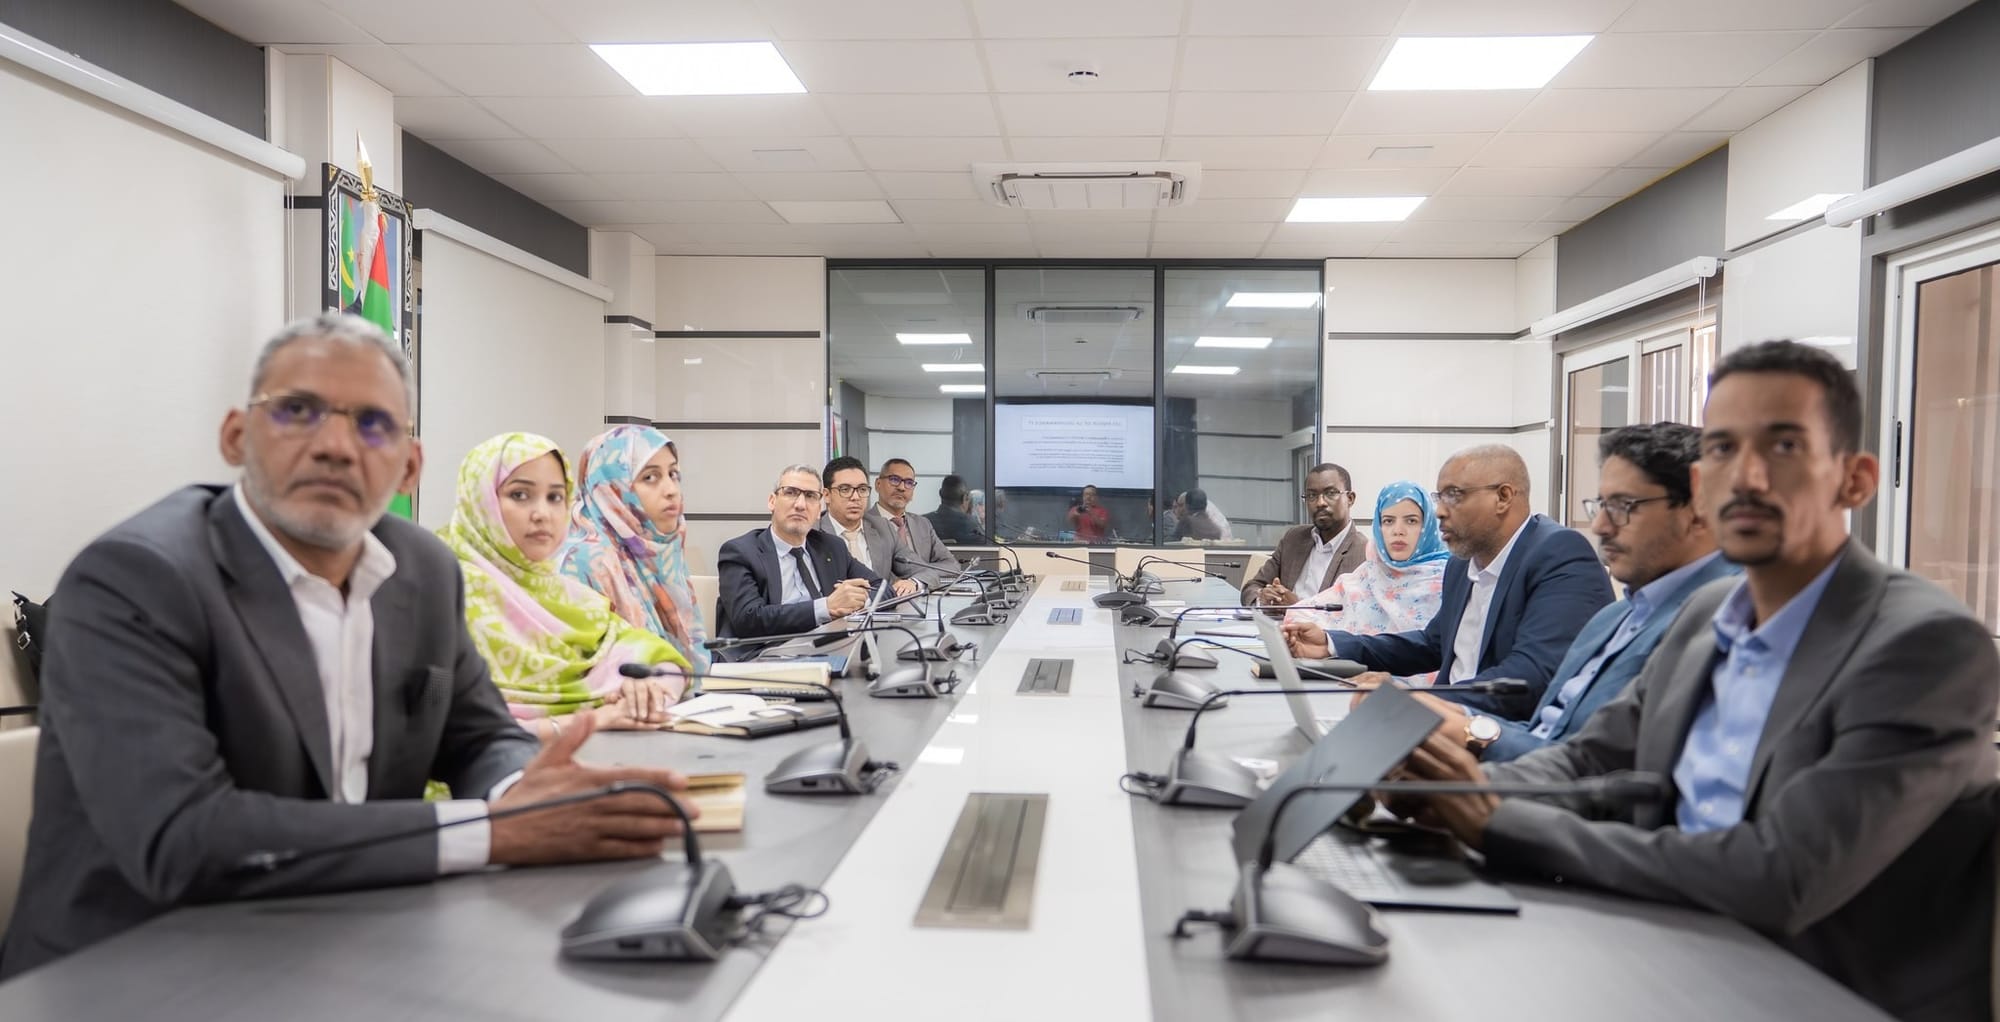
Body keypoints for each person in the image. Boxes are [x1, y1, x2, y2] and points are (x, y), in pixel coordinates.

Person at [0, 314, 693, 978]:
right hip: (135, 965)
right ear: (236, 437)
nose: (335, 445)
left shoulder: (424, 571)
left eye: (373, 424)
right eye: (297, 411)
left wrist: (525, 793)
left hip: (353, 936)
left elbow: (478, 735)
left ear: (409, 466)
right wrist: (494, 829)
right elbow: (183, 837)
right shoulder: (135, 579)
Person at [1387, 341, 1999, 1021]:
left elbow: (1781, 876)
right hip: (1656, 934)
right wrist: (1448, 789)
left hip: (1807, 987)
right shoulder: (1708, 612)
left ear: (1854, 481)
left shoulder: (1923, 644)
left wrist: (1498, 820)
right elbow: (1590, 757)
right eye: (1725, 448)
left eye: (1785, 446)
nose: (1748, 477)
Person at [1410, 423, 1738, 762]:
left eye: (1623, 506)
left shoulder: (1724, 621)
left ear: (1698, 510)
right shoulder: (1614, 618)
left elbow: (1595, 765)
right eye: (1602, 504)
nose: (1600, 526)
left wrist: (1467, 731)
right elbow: (1548, 733)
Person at [1283, 445, 1612, 717]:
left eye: (1454, 496)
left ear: (1503, 497)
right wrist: (1332, 643)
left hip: (1496, 734)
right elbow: (1433, 644)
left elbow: (1530, 678)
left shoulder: (1558, 554)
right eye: (1439, 497)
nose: (1439, 511)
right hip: (1445, 718)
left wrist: (1417, 699)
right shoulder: (1462, 564)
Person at [439, 432, 689, 741]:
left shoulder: (566, 596)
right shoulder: (445, 592)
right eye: (520, 495)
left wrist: (646, 690)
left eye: (555, 497)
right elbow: (442, 731)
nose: (542, 514)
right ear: (479, 501)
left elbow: (664, 661)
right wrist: (591, 720)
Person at [559, 424, 710, 675]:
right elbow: (579, 674)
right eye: (650, 477)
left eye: (673, 474)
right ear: (610, 486)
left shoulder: (658, 546)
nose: (671, 490)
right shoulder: (584, 561)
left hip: (675, 693)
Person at [1284, 482, 1450, 683]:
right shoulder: (1371, 571)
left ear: (1429, 525)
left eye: (1411, 521)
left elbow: (1441, 659)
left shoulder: (1448, 578)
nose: (1398, 531)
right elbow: (1303, 611)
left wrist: (1394, 684)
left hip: (1415, 695)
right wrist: (1323, 641)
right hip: (1350, 683)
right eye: (1388, 521)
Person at [715, 465, 880, 650]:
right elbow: (748, 619)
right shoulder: (741, 552)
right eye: (791, 493)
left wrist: (855, 600)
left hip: (829, 649)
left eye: (810, 496)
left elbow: (880, 587)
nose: (801, 504)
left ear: (819, 510)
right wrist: (825, 607)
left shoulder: (831, 547)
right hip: (764, 655)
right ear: (772, 501)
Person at [1244, 462, 1367, 606]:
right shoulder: (1294, 538)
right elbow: (1251, 587)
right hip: (1275, 619)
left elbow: (1356, 613)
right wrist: (1263, 599)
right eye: (1311, 495)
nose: (1320, 503)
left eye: (1330, 493)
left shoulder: (1364, 553)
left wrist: (1297, 607)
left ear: (1350, 499)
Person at [817, 455, 926, 593]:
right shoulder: (813, 533)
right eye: (845, 489)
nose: (855, 497)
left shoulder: (883, 528)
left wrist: (913, 583)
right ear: (826, 495)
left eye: (862, 489)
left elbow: (924, 571)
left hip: (883, 605)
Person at [869, 458, 961, 577]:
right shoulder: (863, 523)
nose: (901, 487)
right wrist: (923, 572)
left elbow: (952, 565)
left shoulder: (923, 524)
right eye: (894, 480)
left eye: (909, 482)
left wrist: (919, 578)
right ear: (878, 484)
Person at [926, 474, 986, 544]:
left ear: (940, 493)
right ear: (965, 497)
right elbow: (986, 545)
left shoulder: (924, 522)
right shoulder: (971, 525)